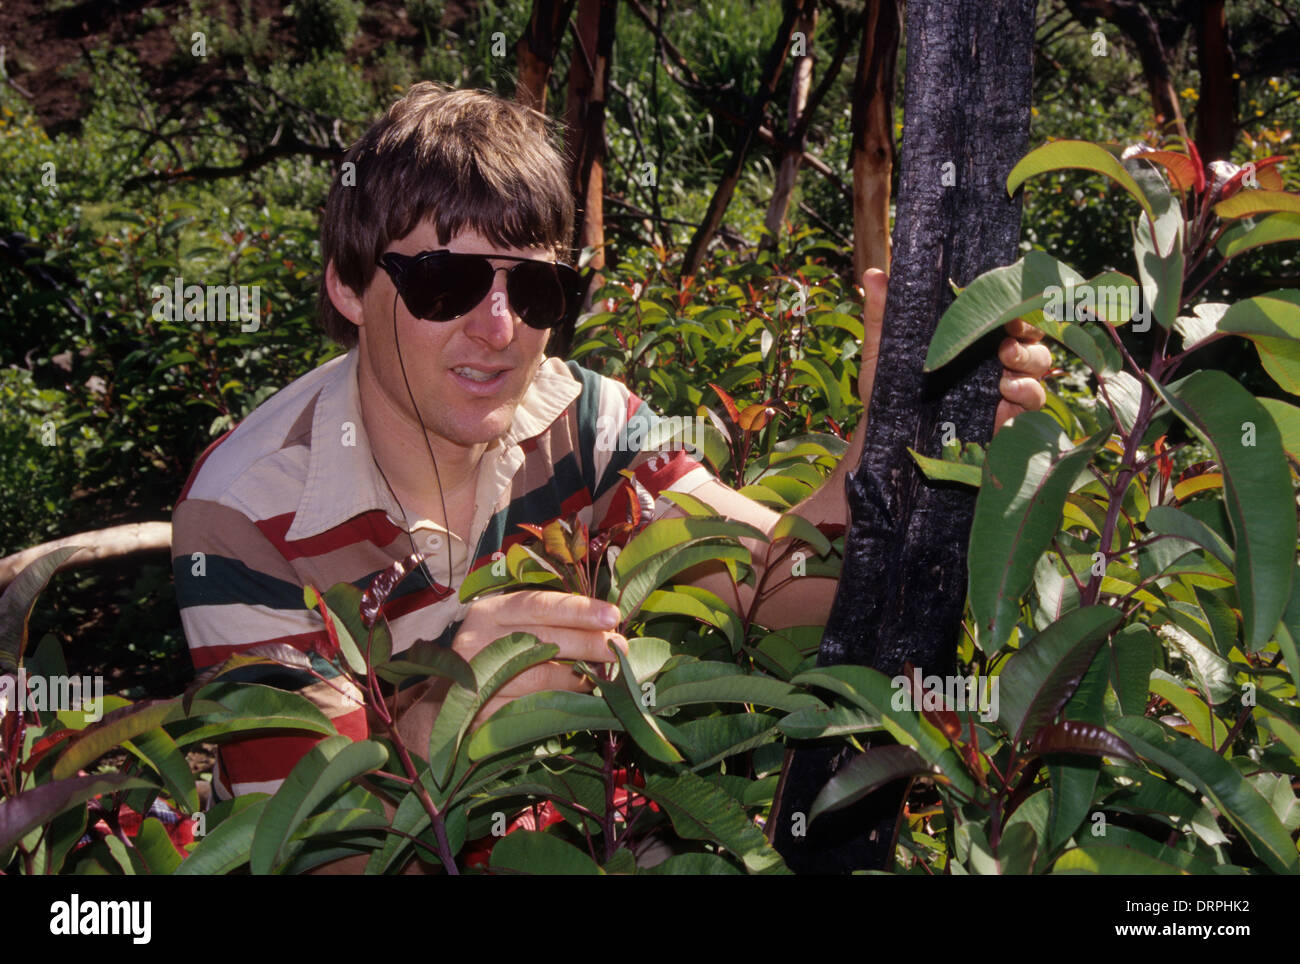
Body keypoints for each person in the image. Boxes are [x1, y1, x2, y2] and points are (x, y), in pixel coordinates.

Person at [171, 81, 1050, 803]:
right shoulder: (243, 510)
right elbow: (309, 847)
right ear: (350, 288)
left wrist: (898, 442)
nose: (500, 328)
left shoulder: (586, 420)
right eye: (447, 282)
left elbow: (769, 583)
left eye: (539, 289)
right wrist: (443, 717)